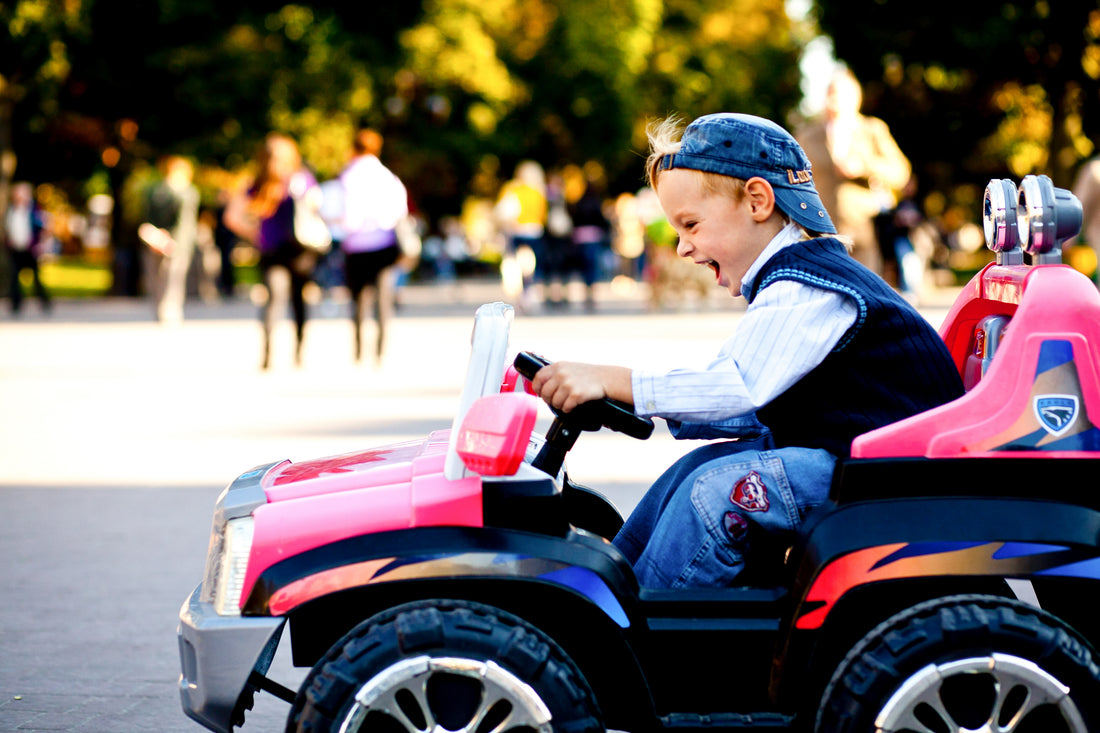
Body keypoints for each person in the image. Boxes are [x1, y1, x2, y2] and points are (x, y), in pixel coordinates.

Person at [530, 113, 965, 588]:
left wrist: (616, 380)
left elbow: (736, 388)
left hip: (888, 474)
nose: (682, 248)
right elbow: (752, 405)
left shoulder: (810, 288)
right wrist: (637, 401)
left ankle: (636, 629)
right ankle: (616, 588)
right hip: (853, 459)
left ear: (758, 201)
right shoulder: (793, 281)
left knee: (714, 491)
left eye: (691, 225)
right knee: (695, 469)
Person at [796, 67, 911, 277]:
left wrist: (864, 167)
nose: (834, 99)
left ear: (855, 99)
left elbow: (900, 172)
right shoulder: (807, 135)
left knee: (865, 296)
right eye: (830, 93)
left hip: (863, 232)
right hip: (819, 231)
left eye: (840, 94)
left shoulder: (872, 130)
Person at [223, 133, 319, 370]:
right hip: (278, 250)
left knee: (293, 300)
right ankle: (272, 353)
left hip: (298, 249)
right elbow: (232, 217)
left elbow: (316, 205)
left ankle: (294, 351)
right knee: (280, 299)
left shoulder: (298, 180)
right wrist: (255, 233)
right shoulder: (260, 183)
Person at [333, 128, 409, 364]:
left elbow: (346, 215)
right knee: (383, 300)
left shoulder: (348, 177)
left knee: (358, 301)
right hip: (384, 246)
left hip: (356, 247)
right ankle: (379, 352)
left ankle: (358, 351)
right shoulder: (387, 176)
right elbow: (400, 211)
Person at [140, 156, 200, 324]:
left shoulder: (187, 192)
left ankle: (169, 308)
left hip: (177, 241)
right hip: (163, 239)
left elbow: (185, 222)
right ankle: (164, 309)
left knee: (173, 276)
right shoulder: (164, 191)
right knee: (161, 276)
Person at [495, 161, 548, 310]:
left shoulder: (512, 188)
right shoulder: (539, 191)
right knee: (532, 265)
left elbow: (502, 211)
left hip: (516, 230)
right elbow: (542, 214)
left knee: (516, 262)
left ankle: (520, 296)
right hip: (534, 231)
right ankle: (530, 293)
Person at [3, 181, 51, 315]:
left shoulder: (34, 209)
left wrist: (40, 244)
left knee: (36, 278)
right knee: (14, 278)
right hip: (16, 249)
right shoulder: (11, 209)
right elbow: (8, 227)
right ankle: (15, 304)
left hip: (30, 249)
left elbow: (42, 227)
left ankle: (44, 302)